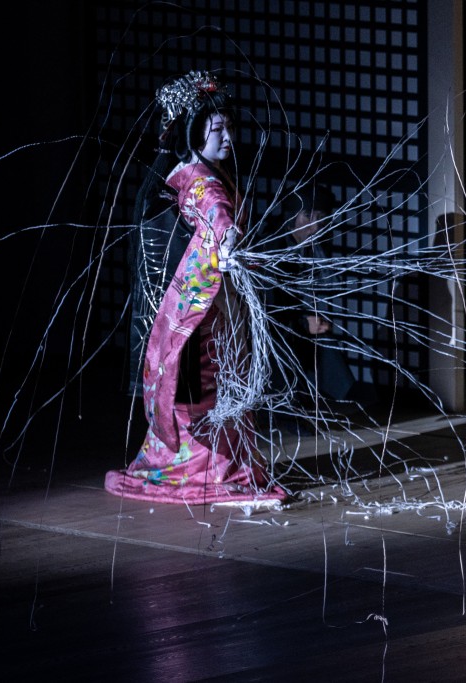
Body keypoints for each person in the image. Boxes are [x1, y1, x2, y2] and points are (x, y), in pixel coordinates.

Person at [106, 71, 286, 506]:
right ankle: (208, 468)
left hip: (205, 305)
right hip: (206, 312)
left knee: (208, 384)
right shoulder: (199, 180)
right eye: (217, 128)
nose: (228, 137)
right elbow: (216, 214)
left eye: (230, 126)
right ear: (191, 131)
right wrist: (226, 242)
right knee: (210, 387)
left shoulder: (193, 173)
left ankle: (185, 461)